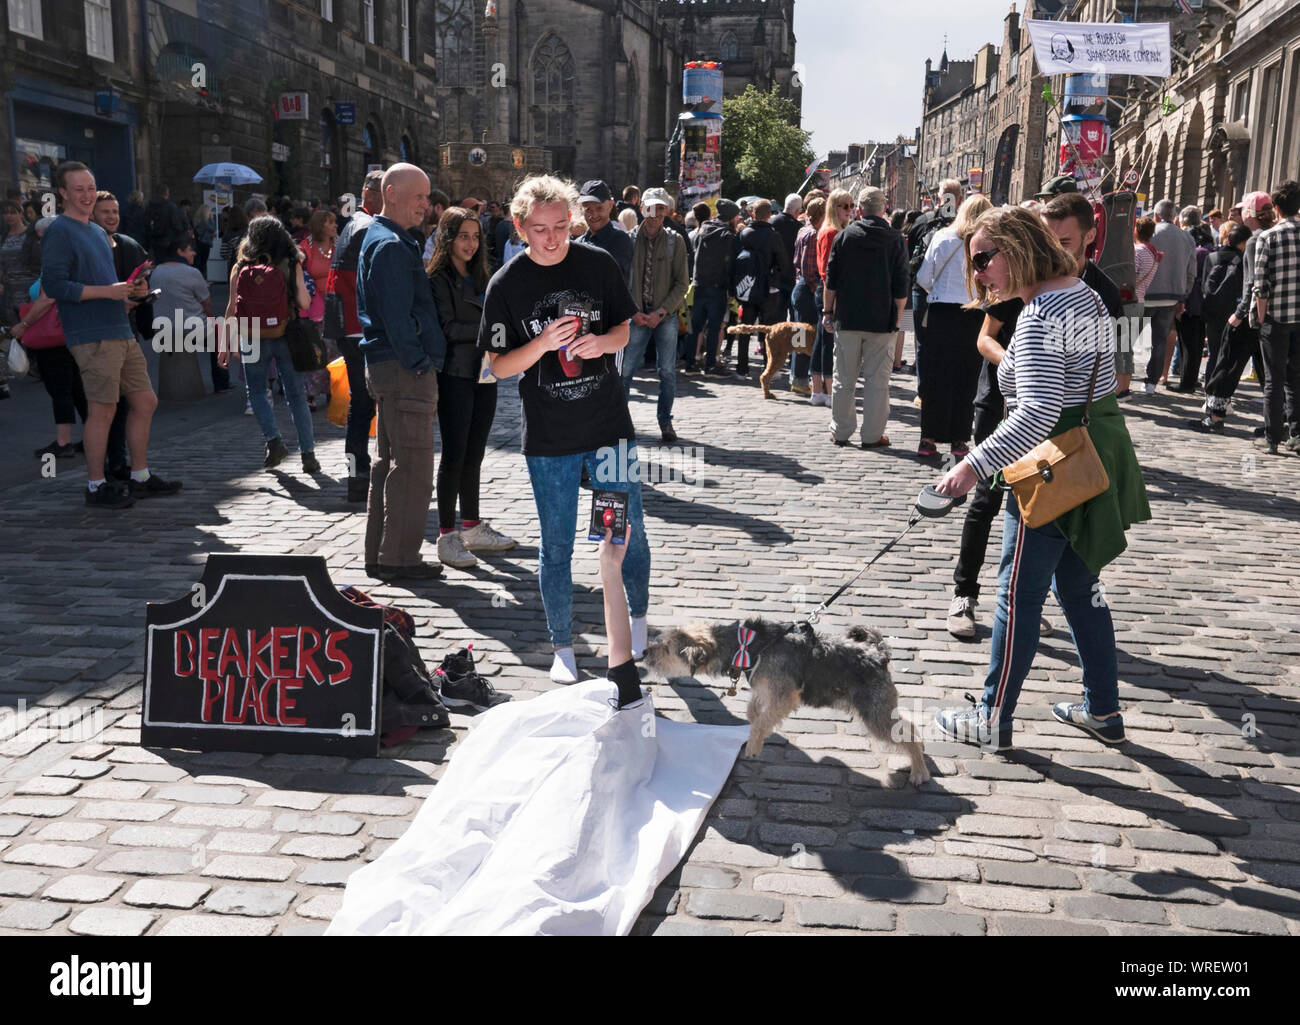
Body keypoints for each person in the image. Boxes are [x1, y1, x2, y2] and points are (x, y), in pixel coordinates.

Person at [933, 206, 1150, 750]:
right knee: (1080, 588)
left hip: (1052, 467)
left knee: (1016, 594)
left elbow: (1035, 414)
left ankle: (991, 718)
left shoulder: (1039, 316)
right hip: (1090, 457)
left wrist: (972, 464)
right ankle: (1102, 710)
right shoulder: (1080, 292)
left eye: (983, 258)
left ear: (1018, 248)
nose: (978, 271)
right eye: (972, 259)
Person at [477, 174, 647, 684]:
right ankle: (563, 647)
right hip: (549, 436)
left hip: (608, 427)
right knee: (557, 544)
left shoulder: (597, 264)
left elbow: (623, 326)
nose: (551, 239)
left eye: (560, 227)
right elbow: (497, 366)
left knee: (622, 532)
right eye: (539, 229)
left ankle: (636, 620)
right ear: (520, 227)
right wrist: (544, 344)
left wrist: (604, 344)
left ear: (572, 220)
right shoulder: (506, 283)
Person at [948, 194, 1125, 639]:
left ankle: (996, 706)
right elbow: (986, 338)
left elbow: (1115, 375)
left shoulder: (1091, 290)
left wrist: (1045, 380)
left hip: (1055, 440)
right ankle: (964, 593)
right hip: (1005, 405)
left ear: (1089, 236)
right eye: (1048, 235)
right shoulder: (1018, 282)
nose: (1056, 247)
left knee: (1029, 586)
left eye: (1063, 238)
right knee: (986, 503)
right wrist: (1023, 366)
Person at [41, 162, 181, 508]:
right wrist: (110, 293)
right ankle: (95, 485)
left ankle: (140, 477)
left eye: (90, 188)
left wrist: (128, 295)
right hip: (92, 334)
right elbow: (55, 285)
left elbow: (103, 284)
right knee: (102, 409)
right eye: (78, 190)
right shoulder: (60, 231)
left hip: (118, 327)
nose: (87, 195)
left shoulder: (94, 231)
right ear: (62, 193)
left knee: (145, 401)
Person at [357, 163, 447, 582]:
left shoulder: (386, 239)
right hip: (401, 368)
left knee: (391, 463)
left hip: (390, 365)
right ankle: (399, 558)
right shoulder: (391, 244)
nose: (425, 206)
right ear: (391, 193)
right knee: (411, 468)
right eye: (418, 197)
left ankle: (383, 554)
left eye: (427, 198)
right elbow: (397, 317)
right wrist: (420, 361)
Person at [427, 206, 515, 568]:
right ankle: (447, 535)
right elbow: (447, 328)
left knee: (475, 454)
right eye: (463, 236)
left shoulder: (483, 275)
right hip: (455, 374)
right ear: (448, 237)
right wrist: (488, 336)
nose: (471, 243)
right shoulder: (437, 278)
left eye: (476, 237)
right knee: (454, 455)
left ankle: (472, 525)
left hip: (484, 373)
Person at [221, 216, 317, 473]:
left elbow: (231, 308)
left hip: (251, 336)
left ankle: (274, 441)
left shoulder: (241, 265)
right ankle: (308, 454)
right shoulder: (291, 261)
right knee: (296, 395)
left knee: (257, 391)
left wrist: (225, 344)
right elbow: (305, 303)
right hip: (286, 334)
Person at [823, 187, 908, 448]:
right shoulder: (895, 239)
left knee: (843, 379)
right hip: (881, 321)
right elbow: (901, 287)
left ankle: (841, 430)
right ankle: (872, 435)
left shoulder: (845, 237)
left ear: (859, 209)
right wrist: (897, 321)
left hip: (848, 318)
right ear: (884, 209)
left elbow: (831, 281)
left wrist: (827, 312)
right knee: (877, 382)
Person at [915, 194, 992, 458]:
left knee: (936, 376)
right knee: (966, 377)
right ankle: (959, 438)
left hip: (941, 312)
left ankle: (928, 437)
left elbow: (924, 277)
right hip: (974, 314)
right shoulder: (989, 243)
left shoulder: (942, 237)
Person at [1194, 193, 1276, 433]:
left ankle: (1216, 416)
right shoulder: (1280, 234)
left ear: (1250, 214)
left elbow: (1253, 283)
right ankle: (1277, 424)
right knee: (1269, 372)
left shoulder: (1255, 240)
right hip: (1275, 318)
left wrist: (1239, 313)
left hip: (1250, 314)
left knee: (1228, 363)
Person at [325, 170, 383, 503]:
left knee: (359, 407)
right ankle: (359, 474)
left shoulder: (356, 224)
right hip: (359, 327)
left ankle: (356, 475)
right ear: (369, 193)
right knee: (365, 405)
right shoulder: (366, 227)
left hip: (351, 326)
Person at [623, 187, 689, 443]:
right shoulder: (628, 240)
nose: (655, 214)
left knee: (667, 372)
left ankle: (665, 422)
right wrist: (634, 312)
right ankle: (620, 424)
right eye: (651, 208)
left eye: (660, 209)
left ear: (667, 211)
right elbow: (622, 282)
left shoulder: (676, 241)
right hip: (636, 315)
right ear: (642, 209)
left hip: (665, 315)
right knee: (626, 371)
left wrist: (661, 312)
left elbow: (682, 283)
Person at [1252, 179, 1300, 454]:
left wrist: (1260, 319)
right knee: (1296, 378)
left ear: (1277, 208)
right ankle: (1297, 434)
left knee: (1274, 380)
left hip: (1275, 318)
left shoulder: (1267, 237)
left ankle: (1273, 438)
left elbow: (1262, 285)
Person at [1139, 199, 1197, 394]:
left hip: (1145, 294)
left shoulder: (1148, 233)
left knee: (1127, 337)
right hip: (1172, 296)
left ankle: (1121, 380)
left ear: (1156, 216)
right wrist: (1183, 297)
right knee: (1160, 340)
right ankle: (1151, 382)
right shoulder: (1187, 238)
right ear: (1175, 217)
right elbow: (1191, 273)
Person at [734, 199, 792, 379]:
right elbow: (783, 262)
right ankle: (768, 368)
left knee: (745, 328)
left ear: (753, 214)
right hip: (768, 288)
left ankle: (742, 369)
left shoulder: (744, 233)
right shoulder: (773, 235)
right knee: (768, 330)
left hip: (748, 286)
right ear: (769, 215)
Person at [150, 234, 214, 390]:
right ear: (180, 251)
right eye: (191, 250)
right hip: (191, 327)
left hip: (162, 327)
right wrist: (211, 320)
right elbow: (206, 301)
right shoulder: (192, 272)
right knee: (221, 338)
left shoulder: (156, 271)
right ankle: (222, 383)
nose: (194, 253)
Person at [688, 198, 741, 376]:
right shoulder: (728, 236)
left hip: (699, 285)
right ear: (731, 217)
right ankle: (710, 365)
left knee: (696, 328)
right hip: (718, 287)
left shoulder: (704, 228)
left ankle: (690, 364)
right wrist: (732, 290)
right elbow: (731, 266)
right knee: (714, 327)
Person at [1196, 221, 1251, 391]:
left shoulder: (1211, 257)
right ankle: (1222, 394)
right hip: (1234, 313)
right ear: (1242, 242)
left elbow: (1203, 283)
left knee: (1214, 352)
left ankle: (1209, 390)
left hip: (1212, 312)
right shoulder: (1243, 260)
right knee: (1229, 355)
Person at [812, 190, 854, 402]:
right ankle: (827, 391)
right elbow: (829, 271)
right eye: (844, 206)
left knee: (822, 339)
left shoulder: (830, 230)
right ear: (834, 207)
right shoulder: (830, 233)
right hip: (829, 290)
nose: (849, 210)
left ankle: (818, 390)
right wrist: (833, 302)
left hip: (827, 289)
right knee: (828, 341)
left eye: (851, 205)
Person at [0, 198, 42, 398]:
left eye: (12, 212)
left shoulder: (30, 235)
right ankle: (21, 362)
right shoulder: (3, 237)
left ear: (20, 213)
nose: (9, 216)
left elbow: (38, 260)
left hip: (29, 285)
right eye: (5, 213)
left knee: (32, 323)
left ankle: (35, 361)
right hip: (9, 287)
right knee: (14, 325)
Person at [791, 196, 825, 402]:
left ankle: (798, 377)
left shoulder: (803, 230)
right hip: (807, 290)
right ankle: (799, 380)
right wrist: (818, 293)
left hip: (801, 288)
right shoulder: (813, 234)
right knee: (803, 337)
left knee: (799, 335)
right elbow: (809, 269)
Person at [578, 180, 634, 281]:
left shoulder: (620, 240)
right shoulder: (577, 243)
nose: (594, 215)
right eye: (588, 209)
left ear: (610, 205)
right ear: (581, 208)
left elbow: (611, 281)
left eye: (599, 208)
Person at [141, 183, 189, 261]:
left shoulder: (149, 206)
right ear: (167, 193)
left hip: (154, 243)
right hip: (168, 244)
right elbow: (177, 226)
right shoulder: (170, 207)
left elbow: (146, 225)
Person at [192, 203, 215, 279]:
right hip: (204, 243)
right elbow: (212, 228)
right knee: (203, 263)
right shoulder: (204, 222)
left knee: (199, 262)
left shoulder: (198, 221)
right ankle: (202, 279)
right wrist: (211, 220)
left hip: (199, 243)